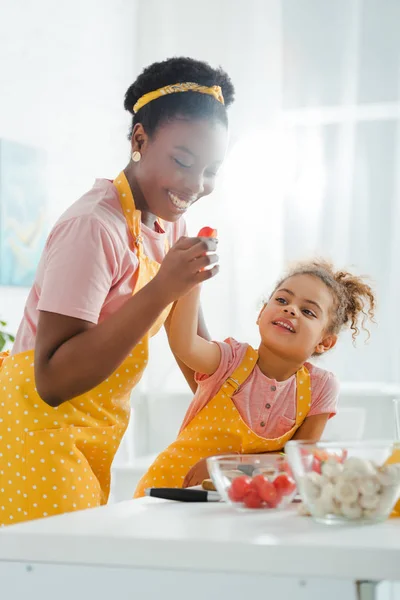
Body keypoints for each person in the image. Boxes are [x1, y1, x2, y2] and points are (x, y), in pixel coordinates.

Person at [0, 56, 235, 526]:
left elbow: (195, 356)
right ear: (139, 140)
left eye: (210, 169)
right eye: (183, 161)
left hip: (93, 435)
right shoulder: (93, 226)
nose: (195, 184)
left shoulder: (170, 227)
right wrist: (164, 287)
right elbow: (52, 380)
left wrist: (263, 400)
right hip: (37, 431)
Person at [134, 260, 375, 496]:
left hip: (232, 503)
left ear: (324, 342)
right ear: (261, 314)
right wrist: (193, 283)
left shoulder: (320, 386)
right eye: (282, 300)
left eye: (308, 311)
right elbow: (185, 345)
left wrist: (226, 465)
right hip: (167, 491)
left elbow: (300, 459)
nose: (290, 309)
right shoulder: (231, 359)